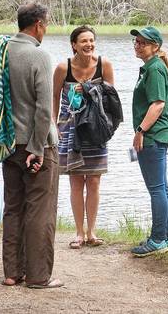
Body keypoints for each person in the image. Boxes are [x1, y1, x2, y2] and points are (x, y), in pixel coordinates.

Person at [0, 1, 62, 289]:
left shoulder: (0, 51)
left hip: (7, 143)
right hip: (35, 145)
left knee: (13, 207)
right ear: (38, 25)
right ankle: (39, 277)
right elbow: (44, 109)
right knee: (40, 210)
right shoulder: (39, 55)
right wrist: (37, 148)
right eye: (46, 25)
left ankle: (12, 273)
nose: (46, 30)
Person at [53, 26, 115, 249]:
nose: (89, 45)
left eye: (91, 40)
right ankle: (79, 233)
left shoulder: (104, 65)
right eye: (83, 41)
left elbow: (111, 98)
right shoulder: (63, 67)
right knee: (76, 180)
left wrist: (88, 89)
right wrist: (54, 125)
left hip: (96, 129)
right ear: (74, 45)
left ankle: (92, 232)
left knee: (95, 181)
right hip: (70, 128)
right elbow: (54, 98)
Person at [129, 26, 168, 257]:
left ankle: (158, 239)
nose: (138, 45)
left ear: (155, 46)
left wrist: (140, 131)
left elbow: (158, 104)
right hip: (157, 135)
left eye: (143, 42)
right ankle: (166, 237)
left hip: (154, 135)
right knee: (162, 188)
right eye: (136, 42)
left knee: (157, 189)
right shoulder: (151, 67)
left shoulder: (155, 69)